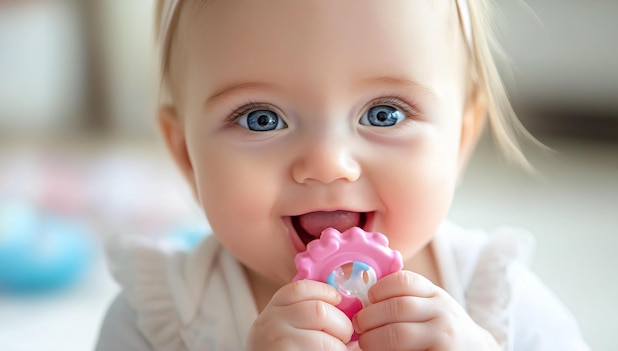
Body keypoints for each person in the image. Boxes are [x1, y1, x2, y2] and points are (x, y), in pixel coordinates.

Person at [96, 0, 590, 350]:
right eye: (260, 118)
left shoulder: (493, 298)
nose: (329, 162)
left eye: (384, 114)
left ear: (459, 142)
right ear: (186, 155)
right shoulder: (163, 319)